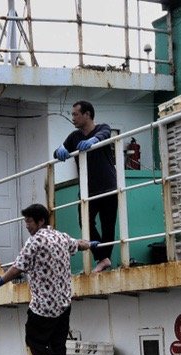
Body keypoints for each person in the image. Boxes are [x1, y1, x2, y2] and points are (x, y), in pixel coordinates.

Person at [0, 203, 96, 355]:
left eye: (29, 221)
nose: (27, 225)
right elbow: (78, 244)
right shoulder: (60, 236)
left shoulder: (35, 241)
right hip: (64, 304)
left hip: (44, 307)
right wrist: (90, 245)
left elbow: (18, 267)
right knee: (58, 346)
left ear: (40, 221)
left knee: (34, 341)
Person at [53, 100, 117, 273]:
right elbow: (58, 150)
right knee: (85, 222)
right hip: (87, 189)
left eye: (76, 114)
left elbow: (105, 134)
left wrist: (94, 140)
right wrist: (59, 150)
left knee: (108, 225)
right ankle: (102, 258)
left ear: (87, 114)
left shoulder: (101, 128)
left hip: (108, 187)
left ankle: (104, 260)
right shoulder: (74, 137)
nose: (72, 118)